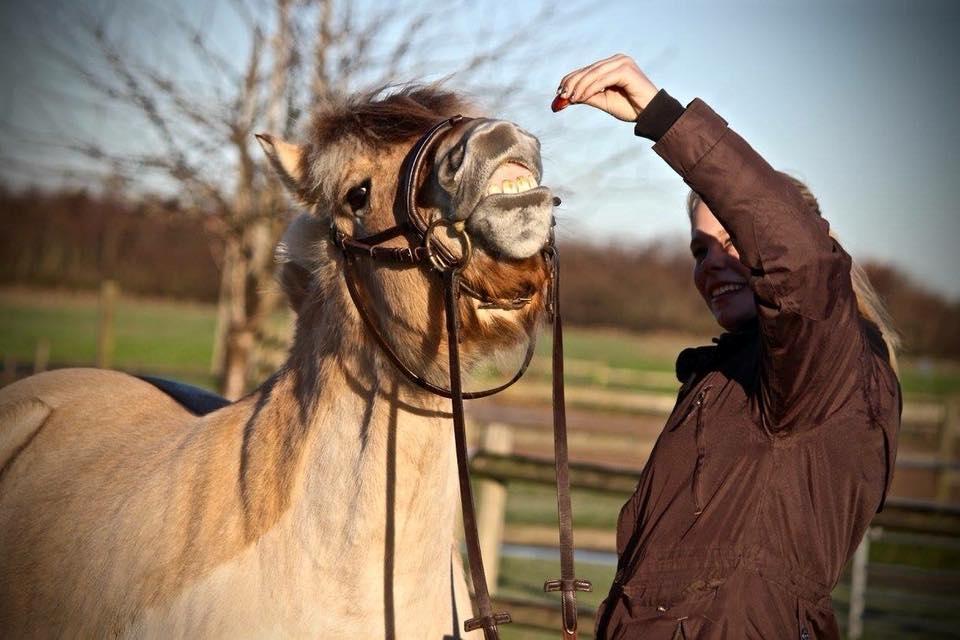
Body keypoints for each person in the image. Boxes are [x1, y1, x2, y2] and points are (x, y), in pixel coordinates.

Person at [554, 54, 901, 639]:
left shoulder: (818, 370)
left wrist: (660, 115)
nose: (714, 263)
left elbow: (802, 261)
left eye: (732, 239)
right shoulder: (730, 378)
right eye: (699, 250)